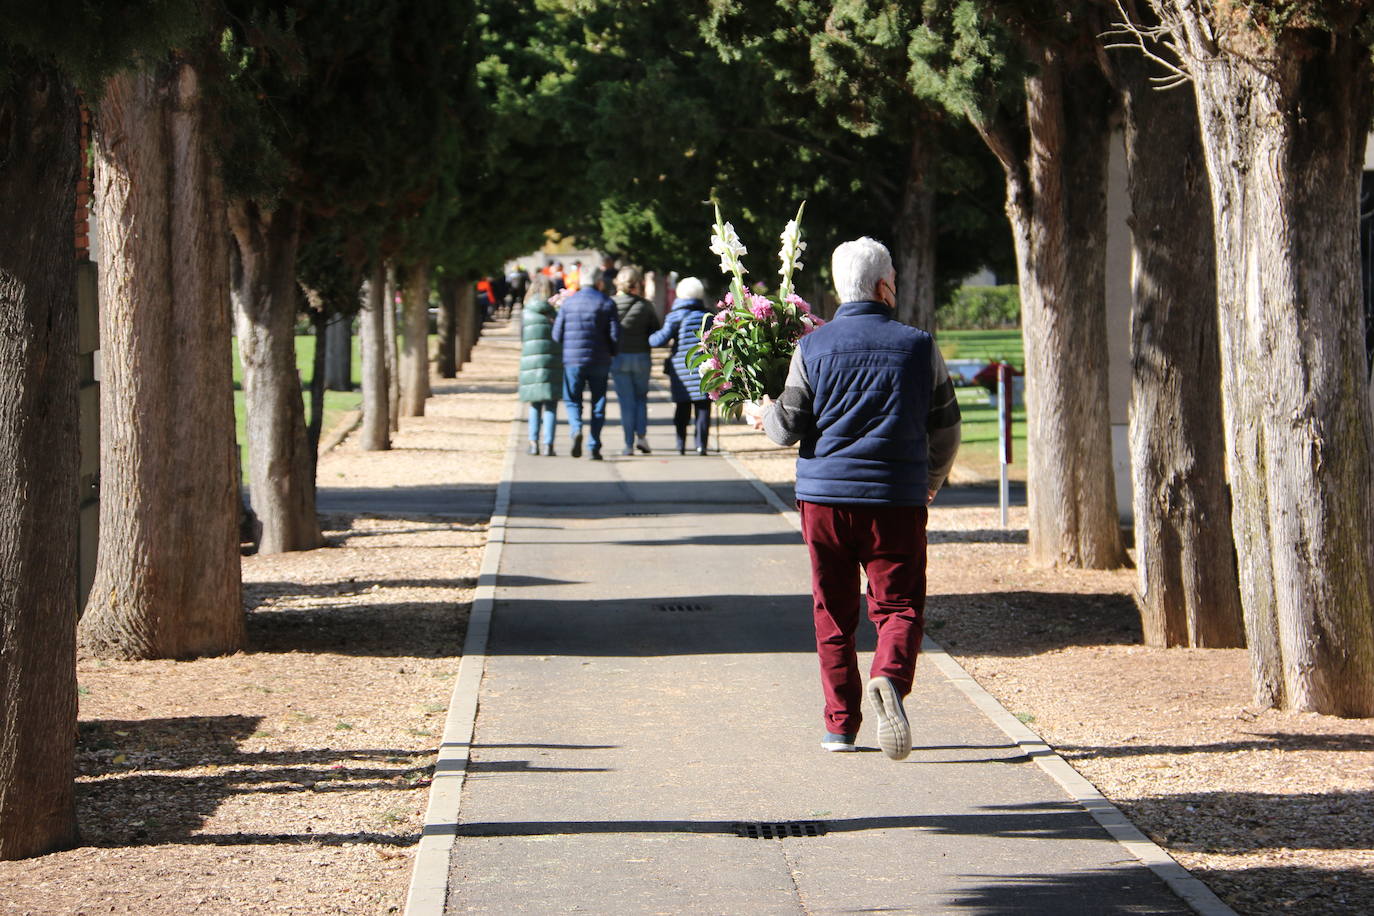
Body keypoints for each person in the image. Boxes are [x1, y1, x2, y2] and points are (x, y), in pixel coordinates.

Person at [744, 237, 961, 760]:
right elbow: (947, 427)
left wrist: (762, 412)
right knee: (900, 605)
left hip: (825, 500)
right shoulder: (918, 346)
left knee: (833, 611)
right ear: (885, 286)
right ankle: (888, 674)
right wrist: (930, 478)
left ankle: (840, 725)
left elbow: (787, 427)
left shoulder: (812, 348)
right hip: (896, 497)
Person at [552, 270, 620, 460]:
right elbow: (615, 335)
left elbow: (557, 335)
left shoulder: (568, 303)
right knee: (598, 402)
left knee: (573, 399)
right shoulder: (607, 302)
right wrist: (612, 352)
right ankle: (594, 446)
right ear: (599, 282)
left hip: (573, 360)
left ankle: (576, 428)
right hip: (600, 359)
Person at [649, 277, 713, 455]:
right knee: (703, 408)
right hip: (705, 367)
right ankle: (702, 446)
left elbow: (659, 340)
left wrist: (646, 337)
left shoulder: (675, 316)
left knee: (682, 408)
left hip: (681, 369)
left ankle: (680, 444)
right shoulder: (707, 316)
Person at [609, 266, 662, 455]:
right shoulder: (645, 305)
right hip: (641, 357)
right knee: (641, 399)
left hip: (618, 357)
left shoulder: (610, 304)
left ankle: (627, 444)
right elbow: (655, 330)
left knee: (626, 402)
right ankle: (642, 437)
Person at [519, 275, 561, 456]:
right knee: (551, 405)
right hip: (552, 360)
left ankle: (533, 442)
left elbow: (523, 337)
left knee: (534, 405)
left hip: (531, 360)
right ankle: (548, 444)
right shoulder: (554, 312)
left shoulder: (526, 311)